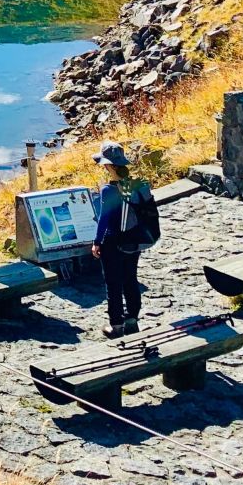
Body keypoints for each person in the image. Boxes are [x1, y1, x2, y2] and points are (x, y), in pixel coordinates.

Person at [90, 141, 153, 338]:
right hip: (134, 240)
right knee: (130, 280)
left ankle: (116, 326)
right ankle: (132, 320)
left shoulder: (108, 190)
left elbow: (104, 219)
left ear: (108, 166)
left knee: (113, 283)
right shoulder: (138, 185)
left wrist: (96, 242)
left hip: (112, 243)